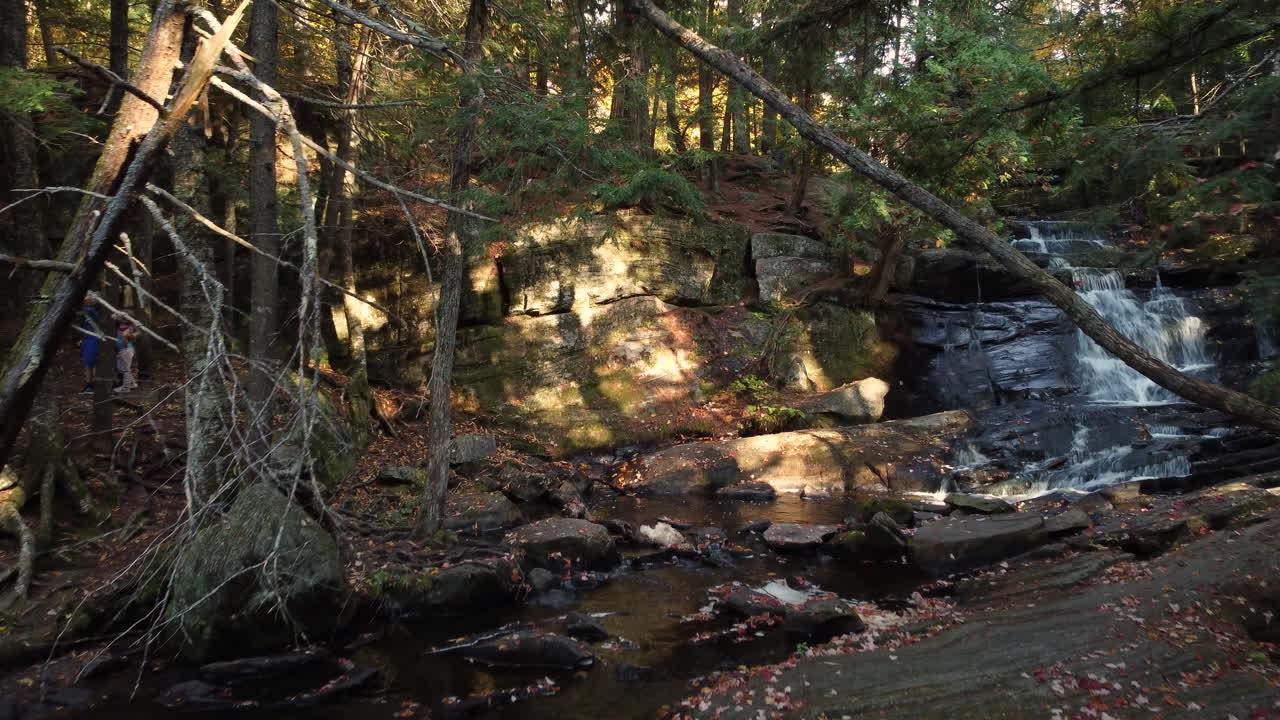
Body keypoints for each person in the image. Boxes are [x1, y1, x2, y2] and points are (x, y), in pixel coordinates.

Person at [79, 295, 101, 394]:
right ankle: (89, 385)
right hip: (87, 339)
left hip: (93, 339)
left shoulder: (90, 310)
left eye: (89, 296)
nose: (86, 297)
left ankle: (94, 386)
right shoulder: (86, 310)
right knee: (88, 364)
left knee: (93, 363)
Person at [114, 321, 139, 393]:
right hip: (121, 350)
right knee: (121, 368)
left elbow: (125, 343)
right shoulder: (118, 328)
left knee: (125, 369)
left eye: (124, 324)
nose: (122, 325)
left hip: (126, 350)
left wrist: (125, 336)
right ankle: (132, 383)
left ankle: (126, 387)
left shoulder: (129, 329)